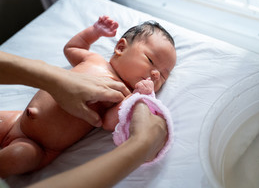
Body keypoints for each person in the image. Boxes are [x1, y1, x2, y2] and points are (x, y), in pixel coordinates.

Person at [0, 16, 177, 178]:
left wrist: (138, 96)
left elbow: (108, 122)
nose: (155, 74)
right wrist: (94, 32)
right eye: (151, 61)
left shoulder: (122, 94)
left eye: (163, 75)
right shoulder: (94, 59)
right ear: (121, 47)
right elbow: (71, 49)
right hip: (17, 120)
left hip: (36, 147)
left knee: (18, 156)